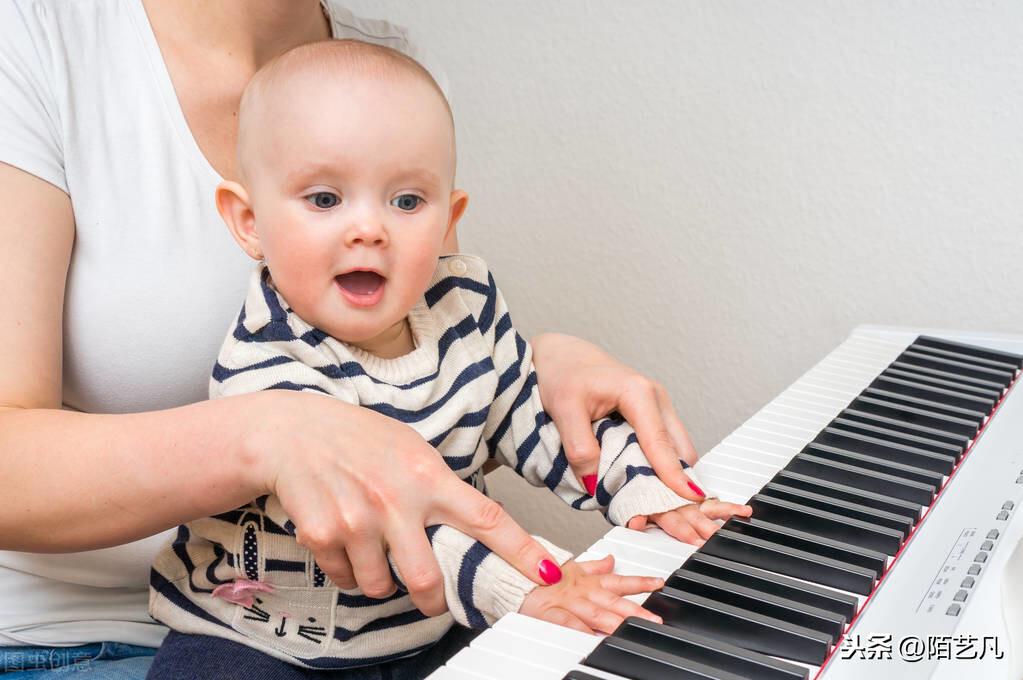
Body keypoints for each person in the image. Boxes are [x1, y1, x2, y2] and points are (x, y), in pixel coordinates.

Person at [0, 1, 709, 677]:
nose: (368, 228)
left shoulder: (386, 66)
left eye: (405, 201)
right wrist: (524, 584)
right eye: (323, 199)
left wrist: (643, 486)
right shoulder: (265, 353)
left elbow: (455, 439)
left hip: (408, 622)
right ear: (245, 221)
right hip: (211, 638)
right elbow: (390, 497)